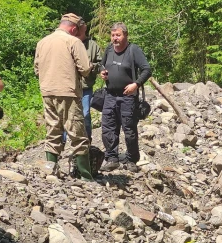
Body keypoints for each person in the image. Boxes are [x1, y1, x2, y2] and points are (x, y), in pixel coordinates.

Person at [34, 13, 95, 179]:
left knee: (52, 130)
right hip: (68, 92)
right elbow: (85, 68)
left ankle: (50, 170)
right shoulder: (73, 41)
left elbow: (37, 69)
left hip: (47, 92)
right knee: (77, 133)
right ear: (74, 28)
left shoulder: (42, 42)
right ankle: (85, 175)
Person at [100, 22, 152, 172]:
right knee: (108, 127)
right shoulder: (109, 49)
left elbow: (147, 69)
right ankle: (111, 158)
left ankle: (131, 160)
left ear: (125, 35)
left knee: (129, 129)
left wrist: (136, 84)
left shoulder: (133, 50)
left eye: (118, 35)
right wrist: (102, 72)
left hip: (128, 97)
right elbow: (102, 66)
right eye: (113, 35)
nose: (115, 38)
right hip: (110, 95)